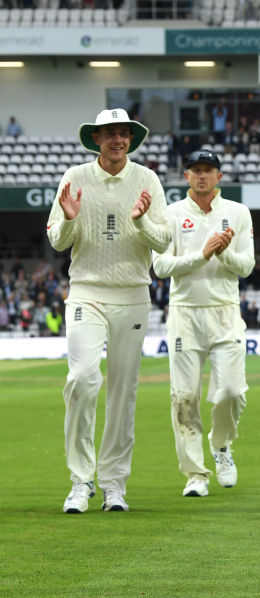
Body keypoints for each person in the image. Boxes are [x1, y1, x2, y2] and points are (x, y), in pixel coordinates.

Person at [47, 108, 172, 513]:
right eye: (110, 134)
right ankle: (81, 481)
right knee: (83, 380)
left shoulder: (147, 179)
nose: (118, 140)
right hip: (86, 292)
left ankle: (114, 483)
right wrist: (68, 220)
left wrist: (139, 223)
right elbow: (57, 240)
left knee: (123, 392)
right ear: (96, 138)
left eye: (124, 134)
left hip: (133, 294)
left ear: (130, 141)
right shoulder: (75, 177)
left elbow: (165, 239)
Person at [152, 149, 254, 498]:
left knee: (231, 391)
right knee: (184, 397)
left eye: (208, 170)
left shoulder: (237, 213)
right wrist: (204, 253)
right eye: (195, 170)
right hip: (185, 312)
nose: (201, 176)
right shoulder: (170, 214)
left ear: (219, 176)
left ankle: (221, 446)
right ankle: (196, 474)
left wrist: (222, 252)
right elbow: (161, 267)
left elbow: (247, 266)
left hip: (225, 310)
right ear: (186, 176)